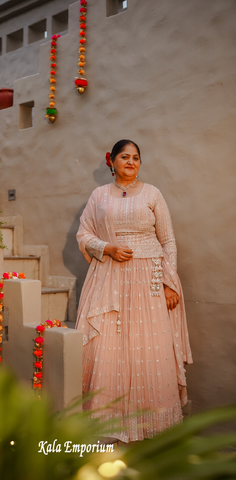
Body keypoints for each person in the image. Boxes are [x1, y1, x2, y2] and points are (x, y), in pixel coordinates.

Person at [75, 139, 193, 443]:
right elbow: (84, 233)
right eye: (125, 157)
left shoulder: (152, 193)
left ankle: (151, 424)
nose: (131, 161)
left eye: (136, 157)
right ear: (111, 161)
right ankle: (107, 423)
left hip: (149, 280)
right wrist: (108, 248)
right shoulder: (99, 196)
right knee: (112, 346)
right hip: (110, 278)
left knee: (149, 346)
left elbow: (167, 241)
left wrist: (169, 282)